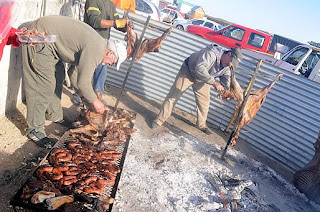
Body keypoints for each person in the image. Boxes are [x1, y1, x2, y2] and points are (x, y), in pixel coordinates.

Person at [22, 15, 127, 148]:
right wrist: (95, 102)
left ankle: (54, 115)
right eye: (113, 62)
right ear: (111, 53)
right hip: (40, 37)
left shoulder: (98, 46)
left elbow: (74, 74)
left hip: (52, 46)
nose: (110, 65)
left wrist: (85, 97)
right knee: (42, 85)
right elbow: (83, 83)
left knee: (58, 77)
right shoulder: (96, 50)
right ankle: (34, 130)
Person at [151, 45, 243, 135]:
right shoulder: (211, 54)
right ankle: (159, 120)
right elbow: (199, 69)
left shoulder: (227, 67)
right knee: (173, 97)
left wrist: (226, 94)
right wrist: (214, 83)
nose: (230, 65)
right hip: (188, 72)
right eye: (231, 61)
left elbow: (225, 84)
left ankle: (201, 125)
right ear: (228, 54)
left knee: (204, 103)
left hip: (203, 79)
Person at [83, 0, 127, 100]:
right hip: (89, 43)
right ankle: (80, 94)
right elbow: (95, 21)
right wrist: (115, 23)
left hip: (104, 45)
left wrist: (124, 26)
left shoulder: (110, 5)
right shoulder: (93, 1)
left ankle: (98, 95)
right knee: (85, 71)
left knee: (102, 69)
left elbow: (116, 21)